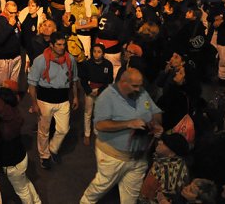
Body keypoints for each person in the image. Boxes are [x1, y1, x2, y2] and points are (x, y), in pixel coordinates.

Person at [80, 68, 163, 204]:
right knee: (101, 186)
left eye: (140, 85)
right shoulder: (107, 97)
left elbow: (155, 111)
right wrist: (128, 123)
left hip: (138, 157)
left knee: (131, 197)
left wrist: (156, 123)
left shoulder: (142, 93)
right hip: (113, 157)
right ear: (123, 82)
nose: (138, 89)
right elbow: (100, 125)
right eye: (134, 86)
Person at [27, 32, 79, 169]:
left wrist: (75, 96)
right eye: (59, 44)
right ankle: (44, 156)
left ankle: (52, 148)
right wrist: (34, 104)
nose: (62, 47)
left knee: (63, 129)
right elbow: (32, 84)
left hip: (63, 99)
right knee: (43, 131)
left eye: (64, 44)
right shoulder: (40, 60)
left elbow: (74, 80)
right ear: (51, 45)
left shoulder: (70, 59)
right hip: (45, 100)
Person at [80, 43, 114, 145]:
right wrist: (89, 91)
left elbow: (109, 80)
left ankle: (97, 131)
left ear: (103, 54)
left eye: (99, 52)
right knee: (88, 113)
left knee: (99, 113)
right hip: (90, 90)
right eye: (94, 51)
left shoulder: (108, 64)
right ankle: (87, 134)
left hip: (102, 92)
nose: (96, 54)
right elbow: (83, 79)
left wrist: (99, 91)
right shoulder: (87, 63)